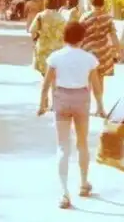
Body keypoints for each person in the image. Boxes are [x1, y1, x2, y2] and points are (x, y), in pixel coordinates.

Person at [38, 21, 106, 209]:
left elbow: (46, 84)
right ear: (83, 38)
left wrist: (42, 103)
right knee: (82, 143)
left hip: (61, 98)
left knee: (62, 146)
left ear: (64, 37)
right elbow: (96, 86)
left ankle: (64, 193)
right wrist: (100, 106)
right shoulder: (89, 59)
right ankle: (83, 183)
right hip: (81, 99)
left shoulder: (55, 57)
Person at [79, 0, 121, 114]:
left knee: (87, 80)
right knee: (100, 79)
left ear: (91, 3)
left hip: (88, 51)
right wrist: (118, 51)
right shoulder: (108, 18)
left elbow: (79, 35)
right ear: (103, 4)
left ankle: (86, 106)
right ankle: (99, 107)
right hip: (103, 51)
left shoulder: (85, 17)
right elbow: (113, 35)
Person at [29, 0, 67, 76]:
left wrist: (35, 41)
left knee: (44, 72)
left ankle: (46, 82)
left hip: (43, 48)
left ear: (45, 3)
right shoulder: (61, 17)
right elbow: (65, 33)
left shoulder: (40, 16)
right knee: (55, 72)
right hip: (57, 49)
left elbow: (32, 30)